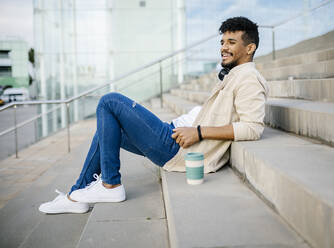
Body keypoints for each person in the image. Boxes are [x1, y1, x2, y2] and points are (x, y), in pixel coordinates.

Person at [39, 16, 268, 214]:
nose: (223, 47)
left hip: (179, 146)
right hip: (175, 135)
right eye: (222, 42)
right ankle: (75, 196)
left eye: (231, 42)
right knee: (106, 129)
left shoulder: (249, 77)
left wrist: (198, 132)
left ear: (250, 48)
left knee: (109, 102)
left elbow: (252, 128)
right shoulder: (234, 74)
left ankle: (110, 185)